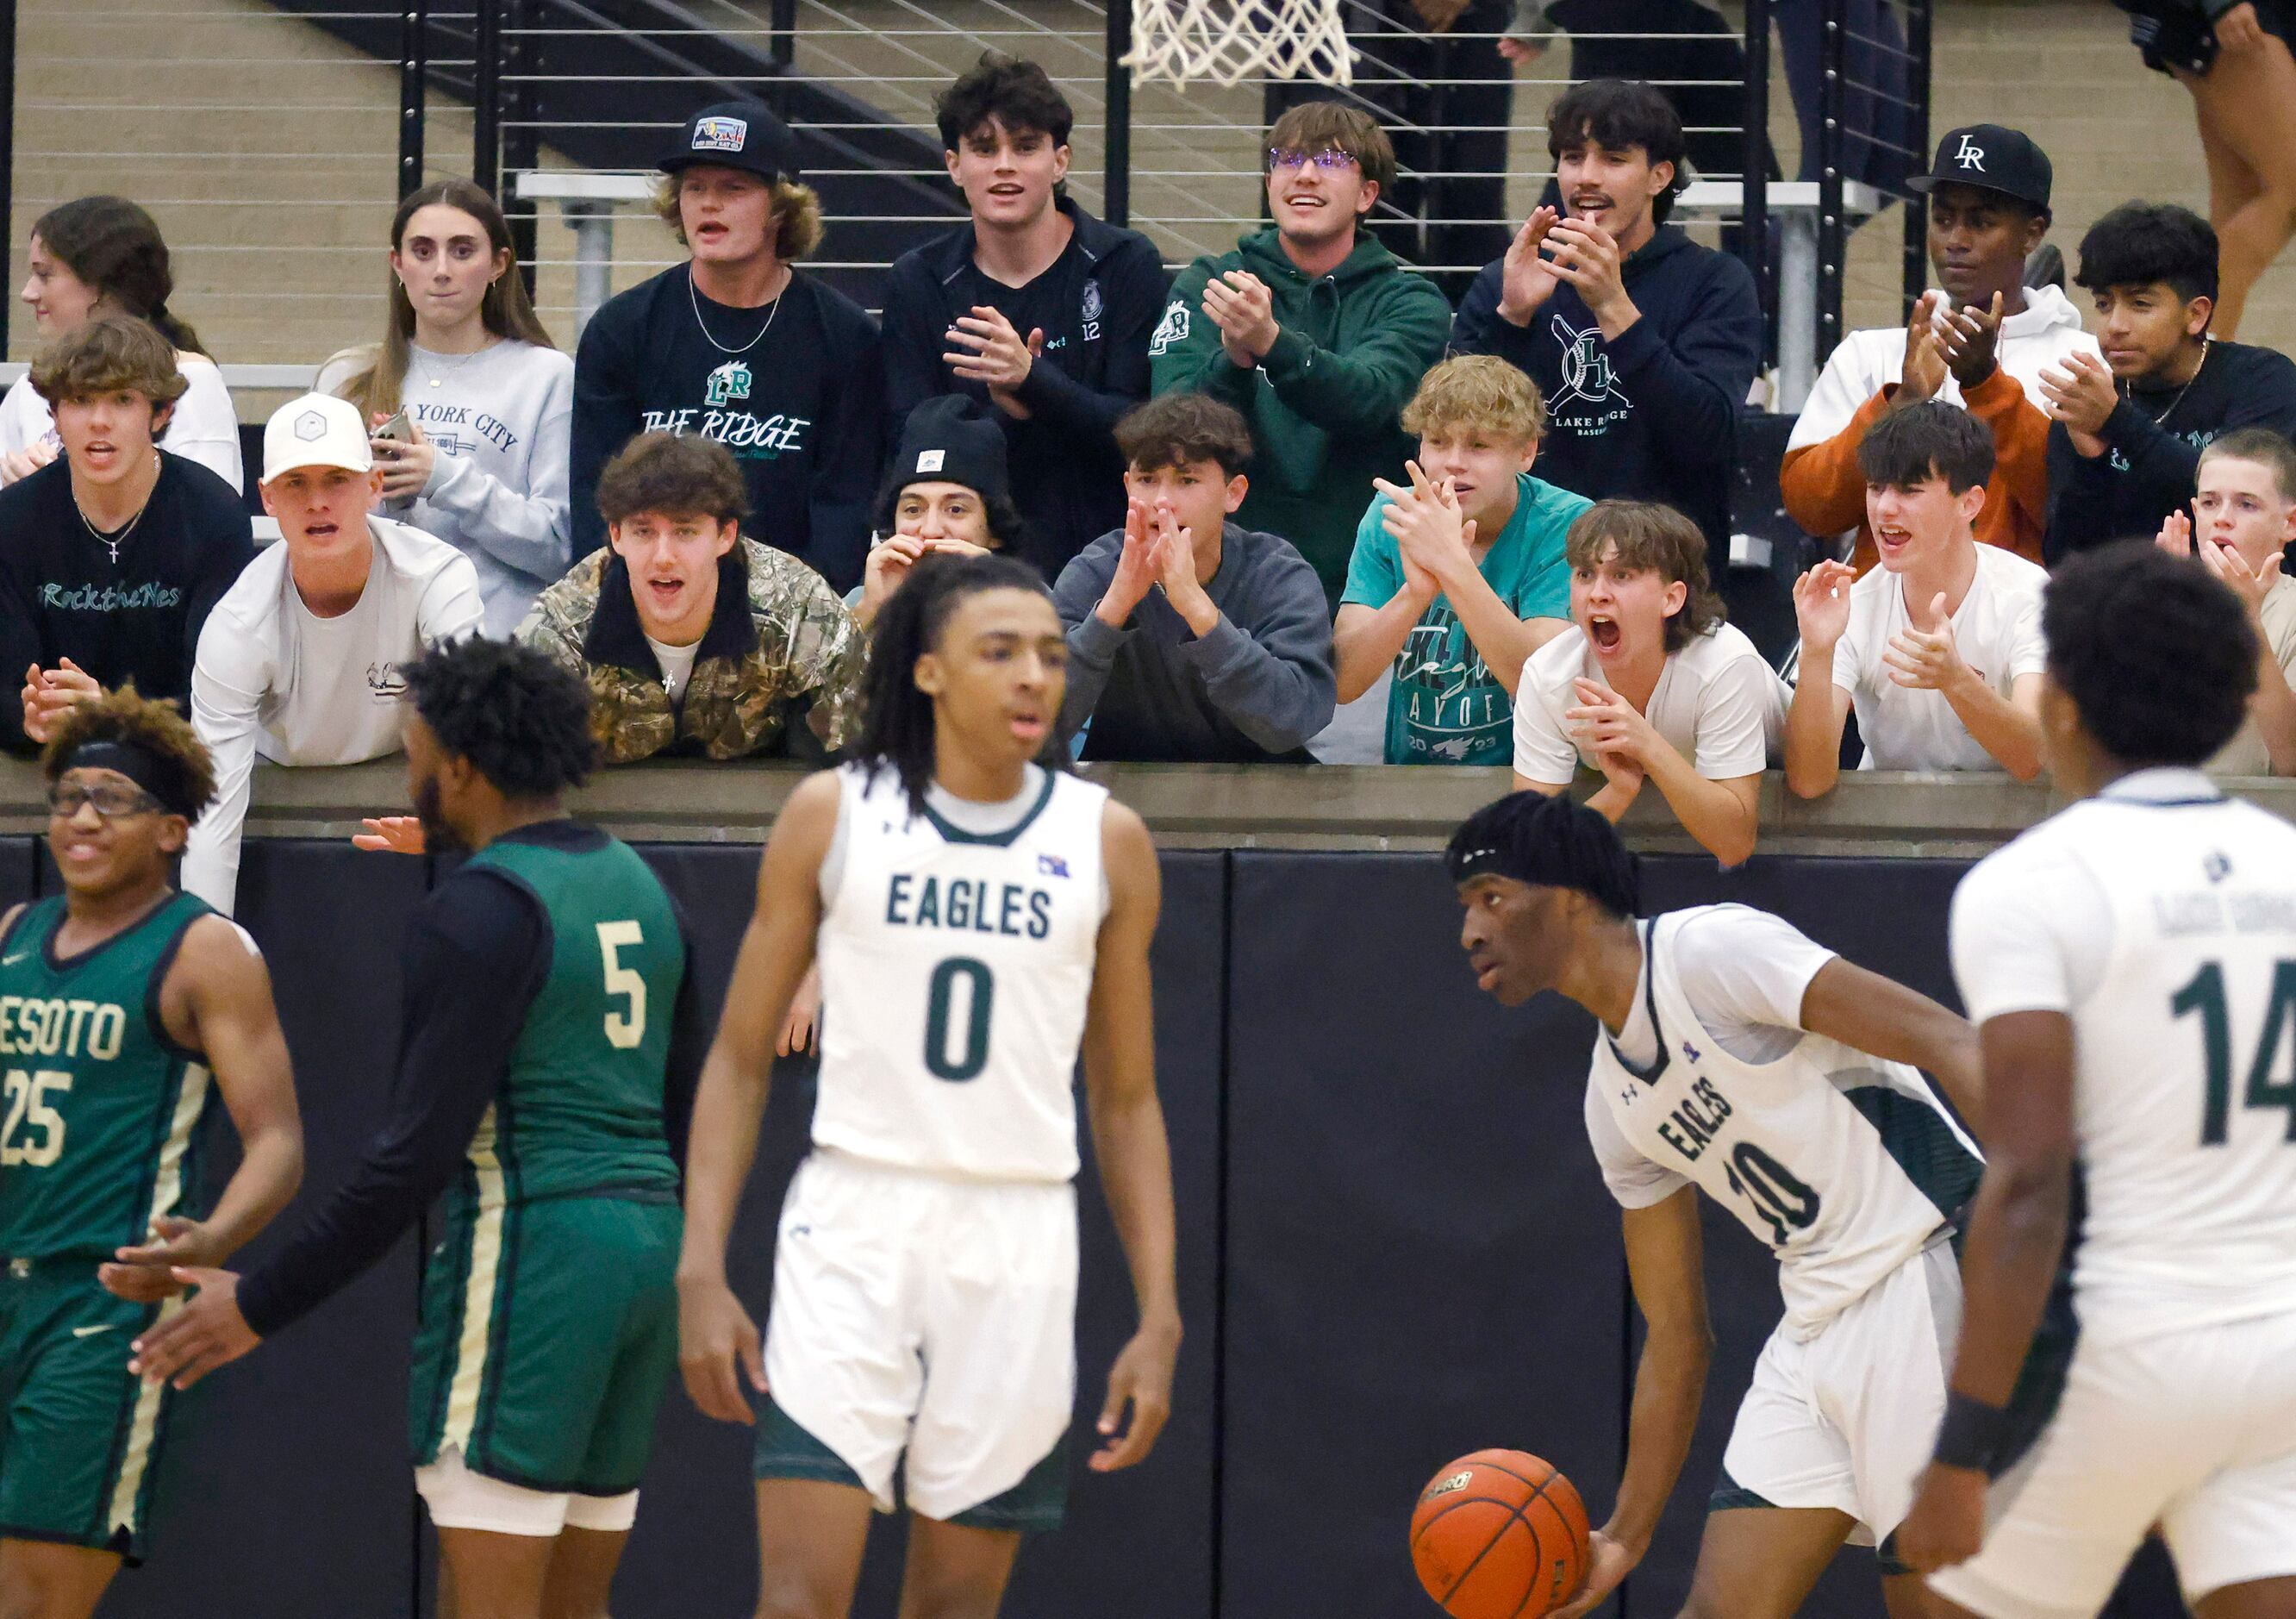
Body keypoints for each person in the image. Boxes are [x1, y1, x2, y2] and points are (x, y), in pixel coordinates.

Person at [127, 638, 704, 1619]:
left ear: (462, 770)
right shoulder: (644, 888)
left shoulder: (479, 910)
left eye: (417, 754)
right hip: (647, 1261)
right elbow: (682, 1110)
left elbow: (407, 1162)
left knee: (486, 1597)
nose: (411, 770)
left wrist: (257, 1301)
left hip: (533, 1254)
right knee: (575, 1602)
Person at [674, 553, 1181, 1619]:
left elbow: (1127, 1099)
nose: (1034, 677)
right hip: (853, 1219)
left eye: (1049, 653)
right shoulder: (831, 813)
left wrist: (1161, 1309)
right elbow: (735, 1057)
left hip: (1021, 1235)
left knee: (954, 1609)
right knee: (797, 1602)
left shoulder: (1109, 843)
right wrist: (701, 1266)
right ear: (930, 673)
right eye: (999, 653)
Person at [1448, 790, 1984, 1619]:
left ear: (1571, 896)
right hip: (1816, 1320)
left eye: (1491, 899)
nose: (1471, 932)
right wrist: (1623, 1533)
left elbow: (1951, 1040)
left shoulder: (1710, 952)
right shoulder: (1612, 1104)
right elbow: (1676, 1333)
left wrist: (2051, 1231)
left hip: (1924, 1270)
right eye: (1465, 909)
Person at [1900, 541, 2296, 1617]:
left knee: (1938, 1598)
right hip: (2284, 1354)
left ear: (2062, 704)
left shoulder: (2032, 885)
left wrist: (1963, 1449)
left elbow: (2028, 1182)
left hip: (2136, 1350)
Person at [0, 687, 301, 1619]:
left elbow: (280, 1143)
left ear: (173, 830)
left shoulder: (207, 952)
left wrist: (209, 1239)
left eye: (112, 801)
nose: (82, 818)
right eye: (67, 796)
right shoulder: (13, 936)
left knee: (39, 1596)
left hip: (101, 1308)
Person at [182, 393, 484, 915]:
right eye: (295, 483)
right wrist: (200, 956)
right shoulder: (237, 624)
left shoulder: (440, 576)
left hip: (405, 783)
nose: (318, 502)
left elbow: (474, 716)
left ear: (373, 487)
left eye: (337, 480)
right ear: (267, 498)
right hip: (282, 783)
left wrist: (453, 816)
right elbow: (211, 816)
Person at [570, 99, 884, 593]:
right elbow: (596, 502)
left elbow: (843, 511)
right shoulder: (622, 328)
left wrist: (796, 620)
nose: (708, 204)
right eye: (694, 188)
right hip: (651, 599)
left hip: (791, 619)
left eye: (733, 189)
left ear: (781, 205)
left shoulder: (845, 337)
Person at [1149, 99, 1452, 608]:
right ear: (1269, 184)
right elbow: (1167, 424)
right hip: (1219, 579)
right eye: (1287, 160)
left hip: (1362, 586)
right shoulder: (1210, 282)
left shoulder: (1412, 302)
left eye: (1332, 161)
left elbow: (1372, 400)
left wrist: (1270, 344)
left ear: (1367, 193)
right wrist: (1234, 362)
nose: (1305, 175)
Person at [881, 53, 1167, 578]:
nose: (1004, 165)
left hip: (1106, 565)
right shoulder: (918, 280)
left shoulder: (1125, 264)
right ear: (954, 165)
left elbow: (1144, 435)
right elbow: (912, 452)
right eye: (984, 149)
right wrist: (1006, 412)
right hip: (962, 570)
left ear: (1060, 162)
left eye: (1026, 146)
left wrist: (1036, 382)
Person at [1450, 78, 1763, 554]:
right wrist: (1510, 317)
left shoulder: (1715, 282)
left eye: (1613, 160)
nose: (1585, 177)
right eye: (1573, 158)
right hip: (1526, 566)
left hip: (1662, 571)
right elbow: (1450, 434)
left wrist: (1612, 306)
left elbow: (1705, 440)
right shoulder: (1506, 280)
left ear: (1659, 177)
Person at [1781, 125, 2097, 572]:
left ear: (2032, 233)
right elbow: (1812, 507)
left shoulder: (2083, 361)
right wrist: (1901, 402)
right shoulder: (1871, 354)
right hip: (1888, 632)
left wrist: (1986, 386)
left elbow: (2084, 517)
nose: (1955, 240)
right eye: (1943, 219)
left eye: (1981, 222)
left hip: (2025, 633)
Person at [317, 178, 573, 639]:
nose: (440, 270)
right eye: (421, 251)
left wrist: (443, 478)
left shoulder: (547, 376)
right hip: (375, 647)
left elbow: (558, 547)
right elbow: (317, 534)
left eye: (461, 251)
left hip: (498, 653)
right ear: (397, 263)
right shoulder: (347, 378)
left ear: (498, 264)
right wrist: (384, 496)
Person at [515, 432, 863, 766]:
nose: (664, 556)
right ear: (616, 536)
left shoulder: (799, 609)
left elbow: (875, 754)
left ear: (726, 535)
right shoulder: (560, 630)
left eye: (685, 531)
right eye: (644, 531)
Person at [0, 316, 253, 753]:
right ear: (54, 415)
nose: (100, 421)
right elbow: (7, 684)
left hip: (175, 766)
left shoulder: (215, 514)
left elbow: (220, 697)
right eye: (80, 400)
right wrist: (28, 718)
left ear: (161, 413)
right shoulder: (13, 520)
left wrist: (110, 711)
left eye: (122, 400)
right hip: (44, 767)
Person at [1334, 354, 1589, 766]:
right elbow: (1343, 683)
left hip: (1534, 783)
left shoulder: (1567, 525)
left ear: (1526, 453)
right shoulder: (1392, 515)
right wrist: (1414, 595)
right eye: (1437, 441)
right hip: (1414, 781)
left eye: (1479, 445)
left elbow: (1540, 686)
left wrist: (1452, 566)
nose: (1453, 461)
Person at [1052, 394, 1333, 763]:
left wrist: (1199, 611)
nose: (1162, 501)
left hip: (1265, 800)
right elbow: (1041, 723)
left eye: (1187, 480)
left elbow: (1295, 720)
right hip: (1129, 801)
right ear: (1127, 486)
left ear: (1234, 494)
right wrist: (1110, 612)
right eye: (1147, 480)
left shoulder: (1277, 573)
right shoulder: (1096, 570)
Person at [1784, 403, 2048, 794]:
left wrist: (1956, 680)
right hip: (1889, 834)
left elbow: (2033, 758)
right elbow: (1809, 782)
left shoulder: (2029, 594)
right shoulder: (1854, 606)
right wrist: (1817, 652)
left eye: (1910, 491)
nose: (1885, 509)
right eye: (1875, 488)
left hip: (2012, 833)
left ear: (1969, 503)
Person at [1512, 501, 1785, 866]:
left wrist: (1647, 746)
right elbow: (1531, 850)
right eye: (1584, 575)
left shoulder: (1726, 663)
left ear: (1671, 598)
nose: (1598, 594)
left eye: (1621, 575)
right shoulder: (1547, 674)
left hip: (1796, 774)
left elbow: (1734, 845)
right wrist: (1620, 792)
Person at [2042, 201, 2296, 564]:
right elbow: (2064, 562)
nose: (2115, 325)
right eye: (2103, 304)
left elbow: (2239, 505)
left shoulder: (2262, 381)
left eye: (2140, 304)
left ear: (2196, 315)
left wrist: (2117, 423)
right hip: (2125, 608)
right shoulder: (2089, 404)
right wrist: (2089, 465)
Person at [1269, 0, 1516, 297]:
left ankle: (1472, 322)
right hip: (1341, 26)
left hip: (1462, 31)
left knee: (1468, 196)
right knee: (1373, 199)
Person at [1, 196, 241, 492]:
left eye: (44, 274)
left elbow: (209, 515)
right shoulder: (30, 389)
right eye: (79, 402)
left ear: (100, 282)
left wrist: (56, 494)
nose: (28, 293)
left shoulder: (190, 380)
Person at [2112, 0, 2296, 337]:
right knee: (2290, 193)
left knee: (2241, 201)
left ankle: (2196, 359)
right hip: (2226, 15)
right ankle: (2185, 351)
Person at [2156, 428, 2296, 776]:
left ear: (2289, 522)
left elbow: (2293, 759)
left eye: (2247, 504)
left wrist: (2247, 622)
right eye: (2209, 502)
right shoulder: (2157, 600)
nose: (2222, 518)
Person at [852, 395, 1025, 633]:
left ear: (995, 529)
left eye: (955, 510)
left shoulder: (1033, 603)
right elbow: (813, 670)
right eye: (913, 510)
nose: (931, 530)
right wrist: (869, 611)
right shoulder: (860, 602)